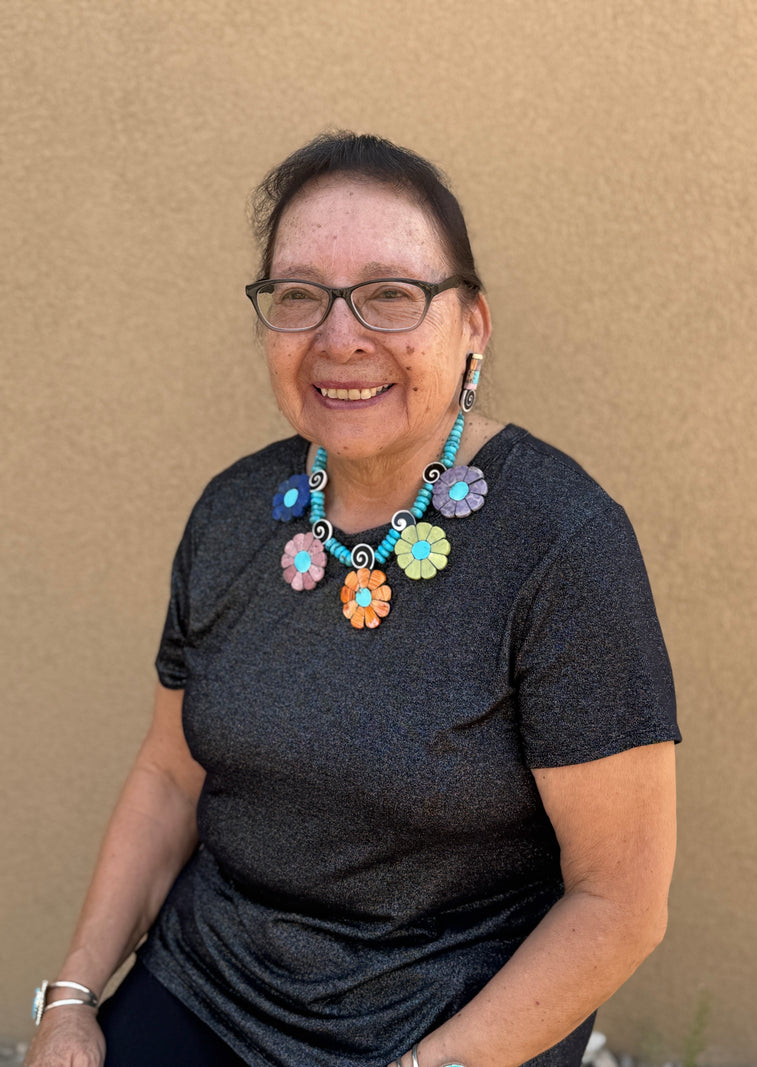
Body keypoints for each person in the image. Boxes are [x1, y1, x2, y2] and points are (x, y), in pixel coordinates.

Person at [25, 132, 680, 1067]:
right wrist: (72, 1001)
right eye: (299, 296)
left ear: (474, 325)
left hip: (446, 1029)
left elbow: (620, 902)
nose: (341, 337)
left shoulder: (563, 546)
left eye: (390, 294)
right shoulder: (233, 512)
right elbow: (170, 777)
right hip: (209, 985)